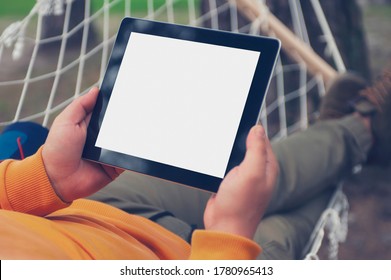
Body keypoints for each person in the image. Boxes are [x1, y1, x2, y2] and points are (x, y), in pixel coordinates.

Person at [0, 65, 389, 259]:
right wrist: (229, 240)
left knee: (254, 172)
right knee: (273, 230)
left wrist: (41, 179)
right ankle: (361, 132)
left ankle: (351, 132)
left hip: (79, 211)